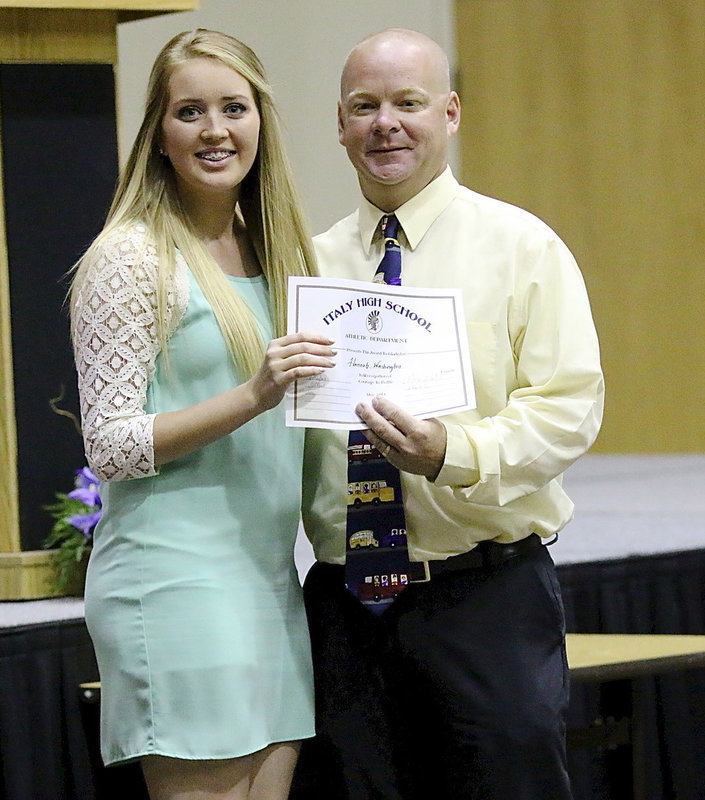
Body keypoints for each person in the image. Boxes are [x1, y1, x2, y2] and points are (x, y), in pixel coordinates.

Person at [290, 28, 604, 800]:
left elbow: (568, 409)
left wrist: (449, 454)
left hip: (483, 597)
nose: (384, 123)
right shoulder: (307, 264)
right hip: (345, 605)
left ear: (451, 113)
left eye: (408, 103)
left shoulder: (521, 247)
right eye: (364, 106)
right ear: (338, 124)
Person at [70, 29, 335, 800]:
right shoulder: (130, 255)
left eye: (233, 107)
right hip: (175, 585)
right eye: (190, 111)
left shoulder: (274, 251)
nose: (215, 130)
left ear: (261, 121)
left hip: (266, 582)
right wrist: (252, 395)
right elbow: (110, 445)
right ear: (158, 131)